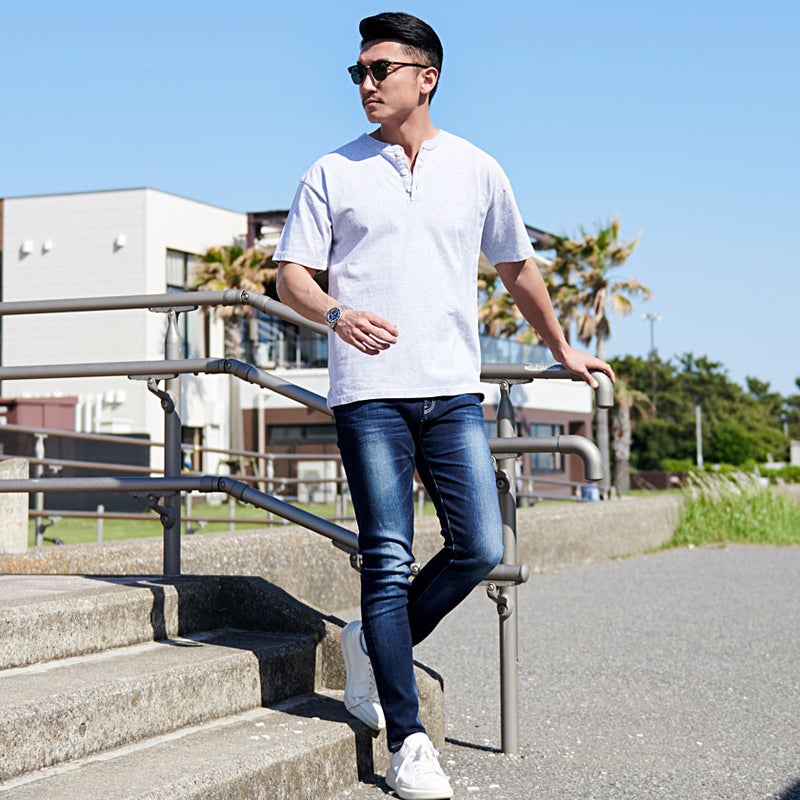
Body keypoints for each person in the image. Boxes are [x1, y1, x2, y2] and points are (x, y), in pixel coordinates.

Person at [274, 12, 615, 799]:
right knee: (387, 556)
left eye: (380, 69)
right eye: (357, 72)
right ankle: (409, 738)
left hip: (453, 393)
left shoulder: (477, 168)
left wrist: (561, 347)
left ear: (425, 77)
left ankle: (371, 642)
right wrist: (335, 314)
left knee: (479, 546)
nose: (365, 83)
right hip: (369, 396)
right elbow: (291, 275)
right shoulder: (332, 170)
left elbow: (517, 267)